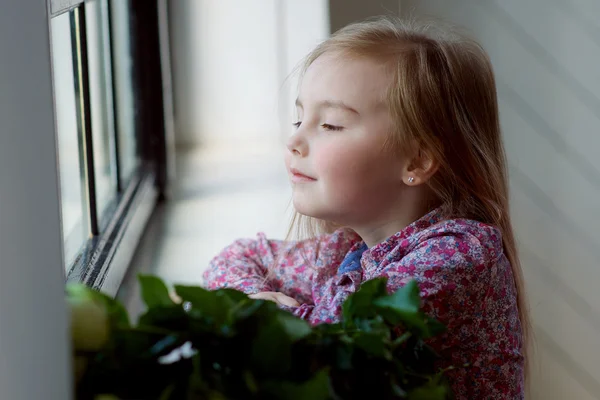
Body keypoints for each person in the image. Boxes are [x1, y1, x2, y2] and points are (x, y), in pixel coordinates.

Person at [203, 16, 527, 399]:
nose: (294, 139)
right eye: (299, 117)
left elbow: (326, 345)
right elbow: (236, 257)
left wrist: (256, 313)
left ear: (417, 160)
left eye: (332, 125)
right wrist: (256, 300)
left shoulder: (459, 256)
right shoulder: (347, 252)